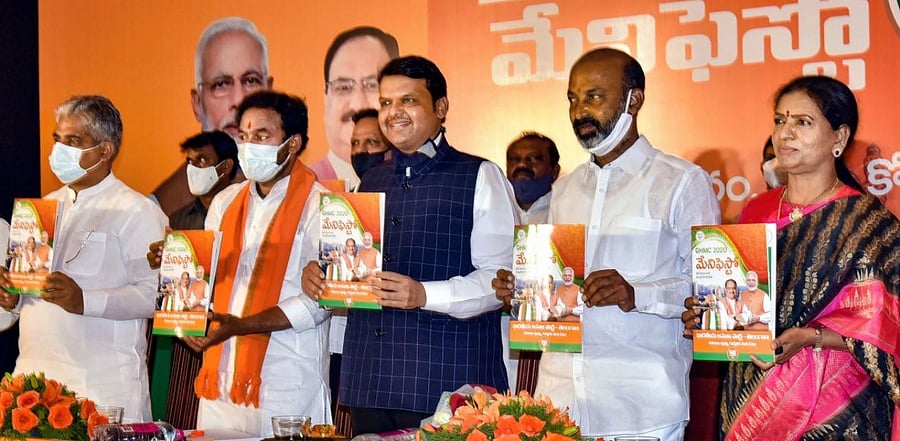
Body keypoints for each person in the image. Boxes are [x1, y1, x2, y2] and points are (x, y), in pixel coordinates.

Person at [493, 47, 720, 440]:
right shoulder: (563, 191)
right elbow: (557, 288)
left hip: (641, 408)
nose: (580, 110)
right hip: (558, 403)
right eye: (573, 98)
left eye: (595, 96)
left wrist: (637, 294)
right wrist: (523, 292)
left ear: (635, 99)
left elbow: (711, 294)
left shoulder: (682, 182)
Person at [302, 55, 518, 433]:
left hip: (451, 383)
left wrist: (424, 294)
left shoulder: (480, 175)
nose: (393, 113)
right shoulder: (367, 181)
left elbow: (499, 282)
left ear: (441, 107)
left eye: (408, 101)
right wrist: (322, 277)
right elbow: (351, 270)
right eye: (385, 103)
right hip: (371, 381)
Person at [683, 75, 900, 439]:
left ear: (840, 137)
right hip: (752, 400)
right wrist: (709, 314)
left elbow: (887, 328)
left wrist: (812, 337)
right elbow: (739, 306)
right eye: (781, 120)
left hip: (840, 406)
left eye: (803, 122)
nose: (785, 133)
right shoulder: (756, 211)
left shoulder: (868, 223)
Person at [0, 95, 168, 422]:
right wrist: (12, 297)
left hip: (103, 391)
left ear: (105, 150)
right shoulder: (41, 208)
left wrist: (85, 300)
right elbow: (28, 291)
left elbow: (156, 297)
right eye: (57, 139)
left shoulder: (138, 210)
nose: (60, 149)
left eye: (73, 141)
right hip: (33, 386)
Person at [185, 90, 331, 435]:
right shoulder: (225, 201)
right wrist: (181, 286)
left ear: (293, 143)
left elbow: (319, 303)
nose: (249, 145)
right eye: (244, 136)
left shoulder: (323, 206)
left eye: (262, 136)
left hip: (287, 383)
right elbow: (205, 282)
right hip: (220, 382)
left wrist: (242, 325)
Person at [152, 17, 271, 216]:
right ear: (197, 103)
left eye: (251, 80)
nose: (238, 100)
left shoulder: (304, 194)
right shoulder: (159, 208)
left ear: (270, 91)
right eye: (221, 84)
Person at [309, 26, 399, 188]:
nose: (358, 104)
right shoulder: (308, 185)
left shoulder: (410, 187)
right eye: (343, 87)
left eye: (372, 85)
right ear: (326, 98)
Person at [169, 131, 240, 229]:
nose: (193, 167)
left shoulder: (246, 209)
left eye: (202, 160)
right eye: (189, 161)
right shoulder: (178, 221)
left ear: (226, 166)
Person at [505, 131, 560, 223]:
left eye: (534, 158)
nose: (521, 164)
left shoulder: (568, 210)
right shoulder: (491, 209)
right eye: (514, 159)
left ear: (555, 171)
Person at [350, 108, 393, 186]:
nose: (360, 150)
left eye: (371, 142)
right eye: (355, 143)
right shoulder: (347, 197)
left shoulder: (404, 194)